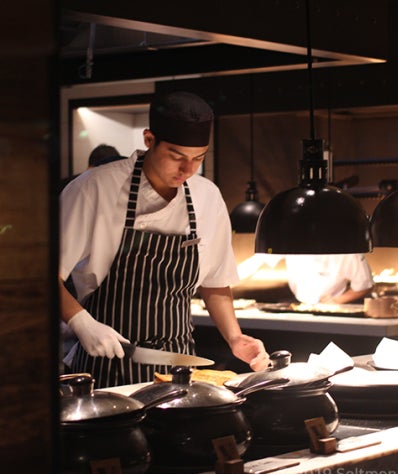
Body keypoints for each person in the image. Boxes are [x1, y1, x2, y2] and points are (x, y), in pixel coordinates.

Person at [59, 90, 270, 387]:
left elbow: (215, 283)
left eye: (198, 158)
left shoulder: (207, 196)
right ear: (149, 140)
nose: (188, 169)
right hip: (106, 367)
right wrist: (82, 323)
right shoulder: (94, 189)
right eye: (176, 156)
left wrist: (235, 338)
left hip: (178, 369)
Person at [284, 254, 374, 304]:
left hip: (334, 309)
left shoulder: (349, 252)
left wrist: (336, 301)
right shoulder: (292, 240)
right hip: (297, 305)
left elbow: (365, 285)